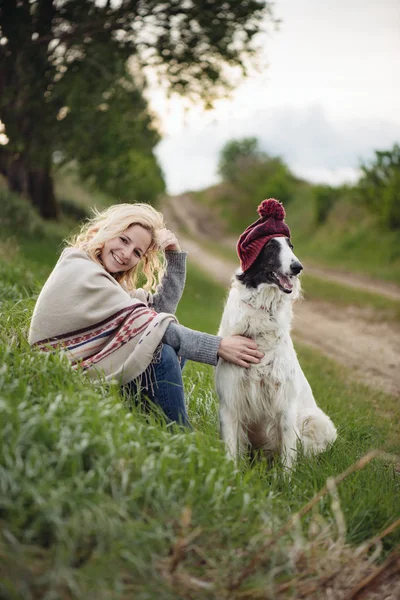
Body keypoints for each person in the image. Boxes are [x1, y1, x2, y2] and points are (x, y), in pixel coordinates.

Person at [28, 203, 263, 427]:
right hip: (59, 370)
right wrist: (219, 347)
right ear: (108, 231)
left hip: (83, 368)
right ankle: (179, 434)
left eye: (137, 252)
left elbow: (159, 313)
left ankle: (152, 418)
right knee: (161, 348)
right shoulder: (82, 269)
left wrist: (174, 257)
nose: (126, 253)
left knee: (159, 337)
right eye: (123, 240)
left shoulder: (107, 281)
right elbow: (154, 327)